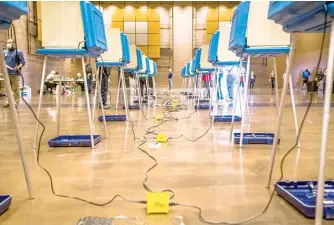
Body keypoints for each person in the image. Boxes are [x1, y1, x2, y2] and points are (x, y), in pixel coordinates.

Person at [3, 38, 25, 108]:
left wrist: (18, 67)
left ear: (14, 44)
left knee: (15, 89)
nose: (8, 44)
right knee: (7, 89)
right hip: (6, 73)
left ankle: (16, 103)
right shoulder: (5, 52)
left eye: (10, 42)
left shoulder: (18, 52)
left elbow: (22, 62)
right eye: (7, 42)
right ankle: (8, 102)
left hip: (14, 74)